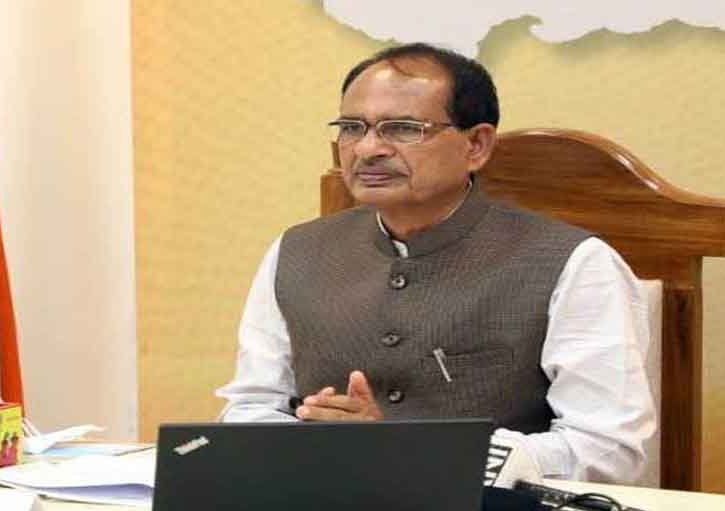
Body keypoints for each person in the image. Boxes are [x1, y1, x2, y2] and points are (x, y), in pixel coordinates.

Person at [216, 43, 655, 483]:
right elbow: (252, 408)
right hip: (323, 504)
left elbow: (606, 449)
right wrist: (315, 445)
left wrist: (406, 451)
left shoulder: (575, 263)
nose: (367, 149)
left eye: (402, 129)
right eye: (351, 128)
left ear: (476, 145)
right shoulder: (296, 251)